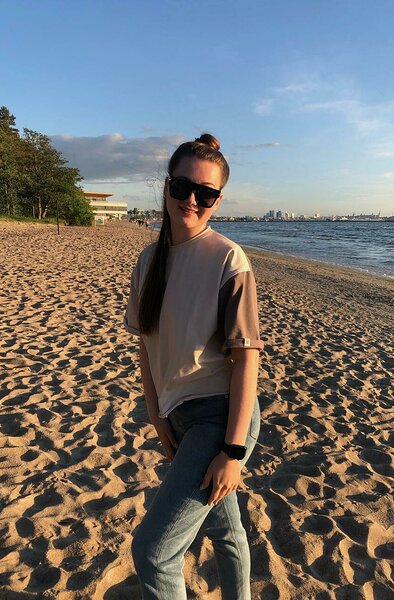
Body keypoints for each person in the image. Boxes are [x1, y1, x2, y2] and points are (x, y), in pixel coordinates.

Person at [124, 133, 263, 599]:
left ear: (217, 201)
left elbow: (246, 359)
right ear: (167, 186)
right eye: (183, 187)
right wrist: (156, 413)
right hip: (177, 417)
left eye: (205, 194)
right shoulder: (148, 260)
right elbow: (147, 345)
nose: (191, 200)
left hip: (220, 419)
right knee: (225, 528)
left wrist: (233, 452)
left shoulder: (228, 259)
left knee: (153, 552)